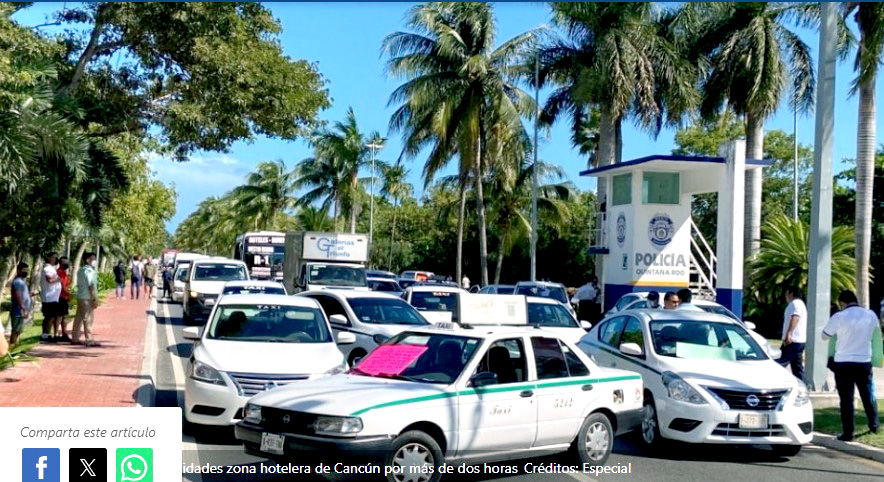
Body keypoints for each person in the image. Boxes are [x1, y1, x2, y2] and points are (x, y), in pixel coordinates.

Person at [821, 290, 879, 441]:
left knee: (846, 399)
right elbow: (876, 335)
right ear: (855, 300)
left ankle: (848, 433)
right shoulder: (870, 315)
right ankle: (874, 424)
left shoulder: (839, 316)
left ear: (842, 303)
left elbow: (824, 335)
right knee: (867, 394)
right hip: (864, 361)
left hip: (843, 362)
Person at [777, 287, 807, 381]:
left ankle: (771, 382)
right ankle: (801, 385)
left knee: (780, 363)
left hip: (793, 340)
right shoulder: (798, 304)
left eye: (787, 293)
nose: (786, 296)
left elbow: (795, 317)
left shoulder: (796, 303)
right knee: (797, 367)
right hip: (798, 340)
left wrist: (789, 333)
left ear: (791, 294)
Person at [72, 252, 100, 346]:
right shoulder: (89, 271)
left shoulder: (81, 270)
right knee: (88, 319)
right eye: (93, 259)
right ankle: (89, 340)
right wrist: (94, 299)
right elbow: (91, 285)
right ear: (87, 260)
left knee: (78, 318)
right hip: (87, 297)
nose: (94, 261)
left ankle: (75, 338)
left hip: (80, 296)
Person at [39, 252, 62, 343]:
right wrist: (58, 279)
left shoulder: (51, 268)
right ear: (48, 258)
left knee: (50, 316)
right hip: (49, 297)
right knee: (50, 317)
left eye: (56, 258)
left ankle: (46, 334)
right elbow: (50, 280)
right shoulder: (47, 268)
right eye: (53, 257)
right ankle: (45, 335)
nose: (55, 259)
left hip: (53, 297)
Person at [9, 262, 32, 346]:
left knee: (19, 329)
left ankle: (16, 345)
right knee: (15, 330)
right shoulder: (17, 281)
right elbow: (17, 296)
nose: (26, 272)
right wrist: (23, 308)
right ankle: (12, 345)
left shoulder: (23, 281)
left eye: (27, 270)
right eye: (24, 270)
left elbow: (22, 294)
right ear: (18, 270)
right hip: (17, 310)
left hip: (21, 310)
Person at [55, 256, 72, 343]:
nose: (66, 264)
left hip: (65, 297)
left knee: (65, 316)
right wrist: (70, 293)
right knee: (59, 316)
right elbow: (62, 286)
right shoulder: (59, 272)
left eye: (67, 262)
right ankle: (56, 334)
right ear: (60, 263)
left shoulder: (65, 273)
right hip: (60, 297)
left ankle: (64, 334)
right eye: (64, 262)